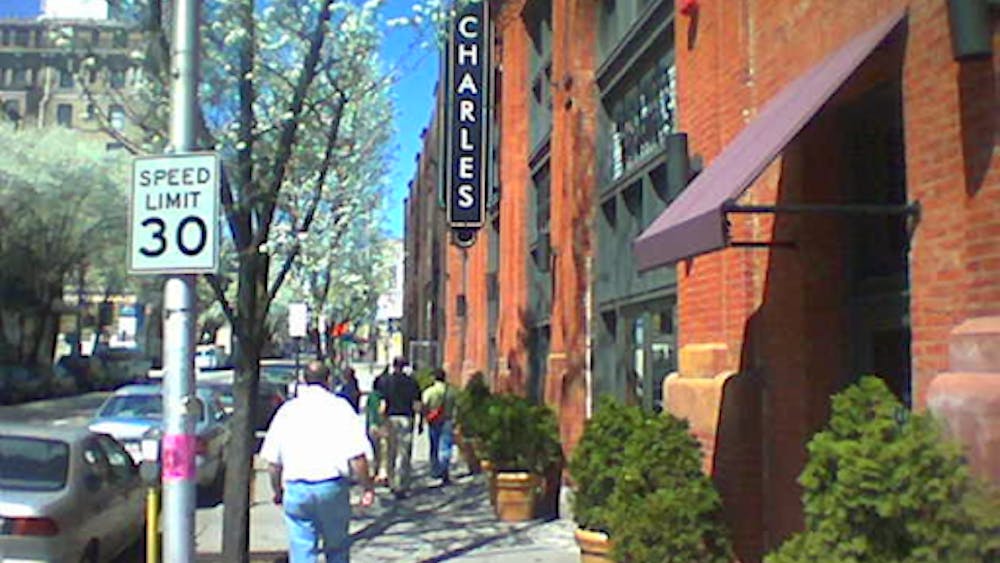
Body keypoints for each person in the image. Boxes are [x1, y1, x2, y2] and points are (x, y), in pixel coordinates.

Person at [260, 360, 375, 563]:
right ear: (328, 380)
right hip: (331, 486)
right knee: (337, 547)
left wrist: (277, 490)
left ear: (304, 380)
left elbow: (273, 462)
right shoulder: (341, 408)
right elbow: (358, 456)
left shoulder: (288, 411)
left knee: (302, 548)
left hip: (296, 487)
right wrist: (367, 488)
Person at [376, 356, 422, 499]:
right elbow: (417, 404)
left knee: (390, 451)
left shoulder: (386, 381)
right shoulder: (412, 382)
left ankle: (391, 482)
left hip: (390, 419)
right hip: (406, 419)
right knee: (404, 453)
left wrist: (381, 423)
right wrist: (420, 422)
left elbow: (382, 405)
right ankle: (401, 483)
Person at [421, 368, 457, 484]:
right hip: (447, 420)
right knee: (446, 446)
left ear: (434, 378)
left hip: (434, 421)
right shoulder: (451, 391)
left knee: (434, 445)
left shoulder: (429, 391)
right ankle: (444, 469)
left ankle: (435, 470)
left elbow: (424, 407)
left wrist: (422, 421)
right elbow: (456, 407)